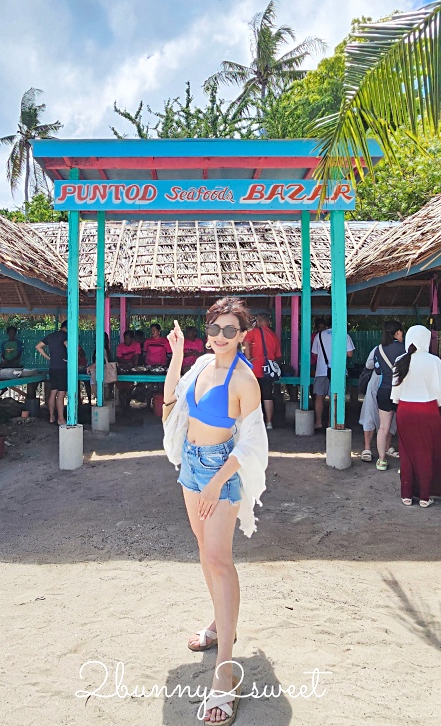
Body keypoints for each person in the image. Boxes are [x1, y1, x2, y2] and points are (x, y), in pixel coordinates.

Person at [162, 298, 268, 725]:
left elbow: (251, 443)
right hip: (192, 462)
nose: (220, 336)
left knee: (220, 559)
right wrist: (175, 354)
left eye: (229, 330)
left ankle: (225, 670)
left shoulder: (244, 378)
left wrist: (216, 480)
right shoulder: (202, 363)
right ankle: (221, 622)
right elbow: (172, 399)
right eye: (214, 328)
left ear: (243, 335)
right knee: (205, 552)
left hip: (219, 470)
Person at [392, 325, 441, 507]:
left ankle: (406, 494)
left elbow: (395, 392)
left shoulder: (400, 360)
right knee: (426, 453)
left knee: (406, 453)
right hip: (427, 410)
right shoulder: (434, 360)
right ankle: (424, 496)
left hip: (405, 410)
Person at [367, 320, 407, 470]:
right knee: (404, 428)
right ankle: (405, 463)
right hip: (401, 392)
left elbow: (377, 370)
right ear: (397, 332)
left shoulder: (378, 349)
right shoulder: (406, 350)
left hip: (383, 390)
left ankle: (382, 460)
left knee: (383, 427)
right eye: (401, 331)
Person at [311, 320, 354, 427]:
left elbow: (314, 353)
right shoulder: (344, 335)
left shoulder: (319, 335)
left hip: (321, 370)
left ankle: (318, 423)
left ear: (327, 325)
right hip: (338, 371)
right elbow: (350, 354)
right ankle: (332, 422)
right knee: (334, 398)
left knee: (319, 397)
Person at [243, 312, 282, 429]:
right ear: (268, 322)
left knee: (253, 396)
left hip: (254, 368)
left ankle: (254, 422)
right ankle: (269, 422)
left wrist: (248, 358)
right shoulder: (273, 335)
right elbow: (277, 354)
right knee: (267, 396)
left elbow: (245, 343)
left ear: (259, 321)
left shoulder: (253, 332)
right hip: (268, 370)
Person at [37, 321, 69, 425]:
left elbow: (38, 346)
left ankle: (51, 417)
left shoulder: (51, 336)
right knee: (61, 393)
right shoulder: (65, 336)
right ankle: (61, 419)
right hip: (62, 367)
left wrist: (49, 358)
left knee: (53, 392)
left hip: (53, 367)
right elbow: (69, 347)